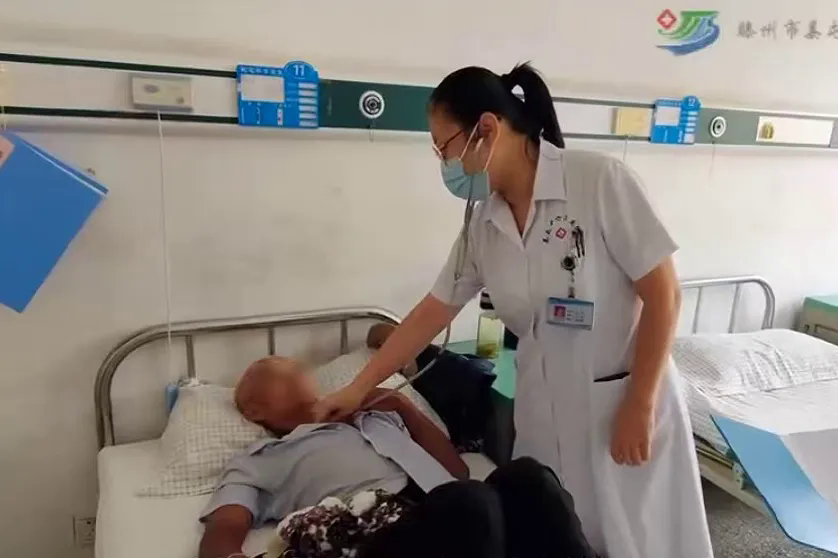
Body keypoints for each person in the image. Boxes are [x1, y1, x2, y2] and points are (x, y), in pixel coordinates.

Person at [313, 63, 714, 558]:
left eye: (444, 147)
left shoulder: (598, 182)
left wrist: (641, 403)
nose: (445, 164)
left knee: (640, 539)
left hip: (620, 404)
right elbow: (433, 310)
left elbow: (664, 295)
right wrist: (357, 387)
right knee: (554, 534)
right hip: (543, 413)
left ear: (486, 128)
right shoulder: (484, 224)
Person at [199, 354, 599, 558]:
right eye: (276, 369)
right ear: (253, 409)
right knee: (471, 502)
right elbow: (225, 526)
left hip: (456, 512)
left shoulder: (373, 418)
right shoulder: (262, 456)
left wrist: (400, 406)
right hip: (375, 536)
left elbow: (456, 470)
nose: (295, 367)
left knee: (527, 478)